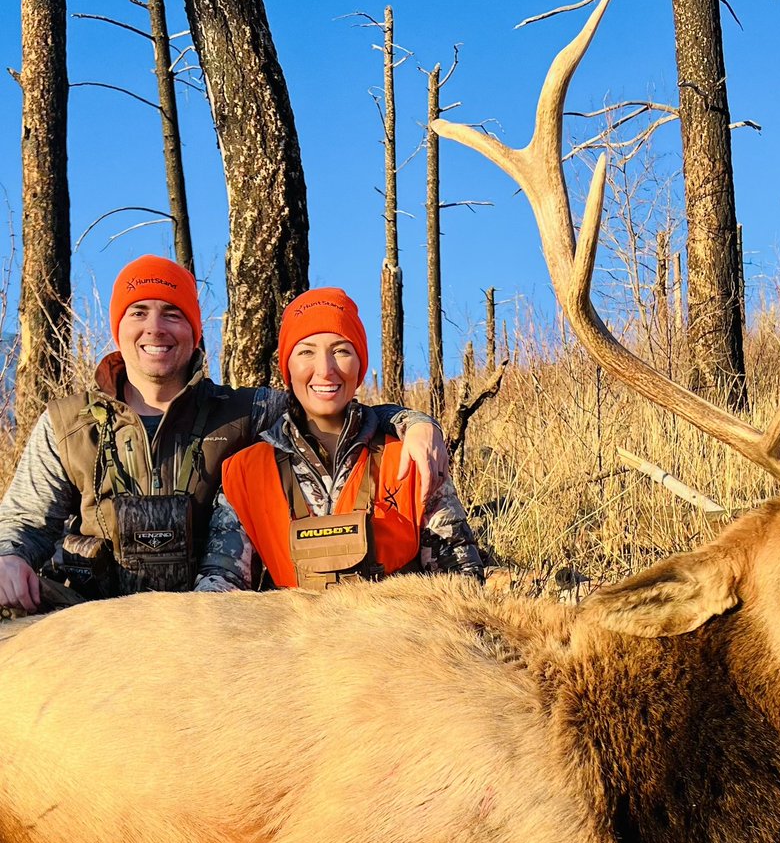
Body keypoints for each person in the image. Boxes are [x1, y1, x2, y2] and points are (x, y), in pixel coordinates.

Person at [0, 256, 448, 611]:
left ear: (195, 332)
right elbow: (22, 521)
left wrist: (413, 422)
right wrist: (9, 559)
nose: (155, 327)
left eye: (173, 314)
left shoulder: (246, 412)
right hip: (96, 627)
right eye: (139, 312)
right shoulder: (68, 423)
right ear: (119, 328)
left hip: (209, 632)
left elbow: (330, 405)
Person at [197, 287, 483, 591]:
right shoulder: (245, 472)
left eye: (341, 351)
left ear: (360, 365)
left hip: (399, 634)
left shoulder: (410, 458)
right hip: (291, 636)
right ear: (287, 367)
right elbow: (219, 590)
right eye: (306, 351)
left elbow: (461, 584)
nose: (325, 369)